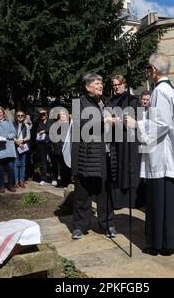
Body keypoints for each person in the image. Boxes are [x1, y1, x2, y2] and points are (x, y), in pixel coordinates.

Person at [125, 53, 174, 256]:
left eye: (148, 69)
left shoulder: (160, 92)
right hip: (173, 153)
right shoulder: (172, 91)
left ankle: (163, 242)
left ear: (153, 71)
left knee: (161, 199)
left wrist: (136, 124)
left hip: (164, 156)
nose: (148, 73)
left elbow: (161, 123)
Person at [70, 73, 116, 240]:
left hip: (104, 154)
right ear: (87, 86)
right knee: (83, 192)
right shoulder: (79, 103)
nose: (100, 86)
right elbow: (82, 125)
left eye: (101, 83)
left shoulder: (106, 102)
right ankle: (79, 226)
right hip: (86, 155)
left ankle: (108, 224)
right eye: (97, 83)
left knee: (104, 193)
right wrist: (104, 121)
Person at [108, 75, 142, 209]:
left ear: (124, 84)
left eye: (119, 84)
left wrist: (119, 122)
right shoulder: (111, 101)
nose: (116, 87)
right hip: (115, 140)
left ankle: (131, 200)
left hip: (129, 141)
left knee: (129, 168)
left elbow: (136, 119)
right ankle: (117, 201)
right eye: (114, 85)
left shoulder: (132, 100)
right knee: (117, 168)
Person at [0, 106, 17, 193]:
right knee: (0, 169)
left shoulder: (9, 122)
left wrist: (9, 136)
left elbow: (14, 132)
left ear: (3, 113)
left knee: (11, 168)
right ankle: (1, 186)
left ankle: (11, 185)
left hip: (9, 147)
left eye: (0, 112)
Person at [50, 109, 71, 187]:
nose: (62, 115)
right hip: (58, 147)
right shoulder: (57, 124)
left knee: (67, 165)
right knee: (60, 165)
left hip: (67, 147)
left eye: (63, 114)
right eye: (60, 114)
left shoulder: (70, 124)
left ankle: (67, 181)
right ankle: (62, 181)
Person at [34, 108, 52, 186]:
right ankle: (43, 179)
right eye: (41, 114)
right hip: (41, 144)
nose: (42, 115)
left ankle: (54, 178)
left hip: (50, 143)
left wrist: (44, 131)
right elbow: (34, 120)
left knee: (53, 161)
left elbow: (52, 129)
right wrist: (39, 113)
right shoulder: (38, 122)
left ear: (47, 114)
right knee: (43, 162)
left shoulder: (51, 121)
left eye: (44, 114)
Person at [13, 110, 30, 188]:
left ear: (24, 116)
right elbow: (10, 134)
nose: (20, 117)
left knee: (23, 164)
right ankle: (16, 182)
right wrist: (16, 141)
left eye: (21, 115)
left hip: (23, 145)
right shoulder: (12, 125)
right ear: (16, 117)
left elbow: (28, 137)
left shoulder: (26, 125)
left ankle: (21, 181)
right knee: (16, 164)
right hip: (15, 145)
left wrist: (21, 141)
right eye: (18, 115)